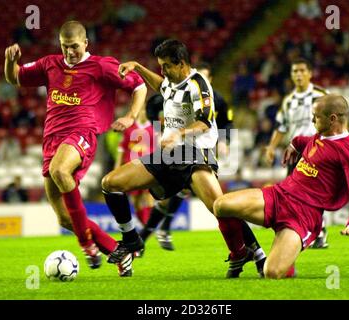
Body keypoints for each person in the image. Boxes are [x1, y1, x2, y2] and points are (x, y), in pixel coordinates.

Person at [101, 39, 265, 278]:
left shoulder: (199, 84)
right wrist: (137, 67)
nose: (163, 71)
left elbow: (205, 122)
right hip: (169, 155)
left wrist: (178, 133)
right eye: (160, 66)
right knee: (110, 183)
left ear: (181, 64)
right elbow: (162, 87)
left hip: (195, 154)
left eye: (166, 66)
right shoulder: (172, 81)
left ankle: (255, 253)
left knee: (222, 207)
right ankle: (131, 240)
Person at [4, 20, 147, 276]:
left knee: (61, 171)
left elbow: (138, 85)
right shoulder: (50, 63)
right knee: (63, 218)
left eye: (74, 47)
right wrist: (9, 59)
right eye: (65, 47)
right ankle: (118, 251)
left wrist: (131, 116)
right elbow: (14, 77)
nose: (70, 52)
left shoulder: (101, 65)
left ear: (85, 43)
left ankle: (86, 245)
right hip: (52, 139)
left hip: (82, 133)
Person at [214, 94, 349, 279]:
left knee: (271, 273)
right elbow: (304, 141)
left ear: (333, 119)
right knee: (221, 206)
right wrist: (294, 145)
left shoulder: (348, 150)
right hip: (279, 195)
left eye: (316, 116)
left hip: (303, 214)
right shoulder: (320, 136)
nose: (312, 120)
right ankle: (240, 254)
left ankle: (287, 257)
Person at [139, 62, 263, 264]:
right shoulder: (179, 92)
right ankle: (150, 236)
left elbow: (227, 123)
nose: (199, 83)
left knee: (219, 205)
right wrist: (159, 129)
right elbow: (154, 110)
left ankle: (254, 251)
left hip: (201, 156)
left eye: (204, 78)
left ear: (210, 80)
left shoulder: (218, 100)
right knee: (180, 199)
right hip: (176, 154)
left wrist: (225, 141)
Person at [265, 58, 330, 249]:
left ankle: (318, 231)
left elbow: (336, 119)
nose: (298, 75)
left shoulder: (321, 96)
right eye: (295, 71)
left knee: (312, 192)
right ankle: (312, 231)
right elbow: (281, 126)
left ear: (310, 73)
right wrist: (270, 147)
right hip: (295, 152)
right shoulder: (288, 101)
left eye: (302, 70)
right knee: (293, 194)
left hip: (316, 150)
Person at [116, 108, 156, 226]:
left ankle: (149, 226)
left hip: (148, 167)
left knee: (148, 196)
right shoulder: (129, 128)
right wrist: (117, 166)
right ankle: (145, 224)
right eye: (142, 110)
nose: (143, 112)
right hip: (131, 166)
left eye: (145, 110)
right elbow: (122, 148)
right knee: (136, 200)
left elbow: (157, 149)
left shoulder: (154, 128)